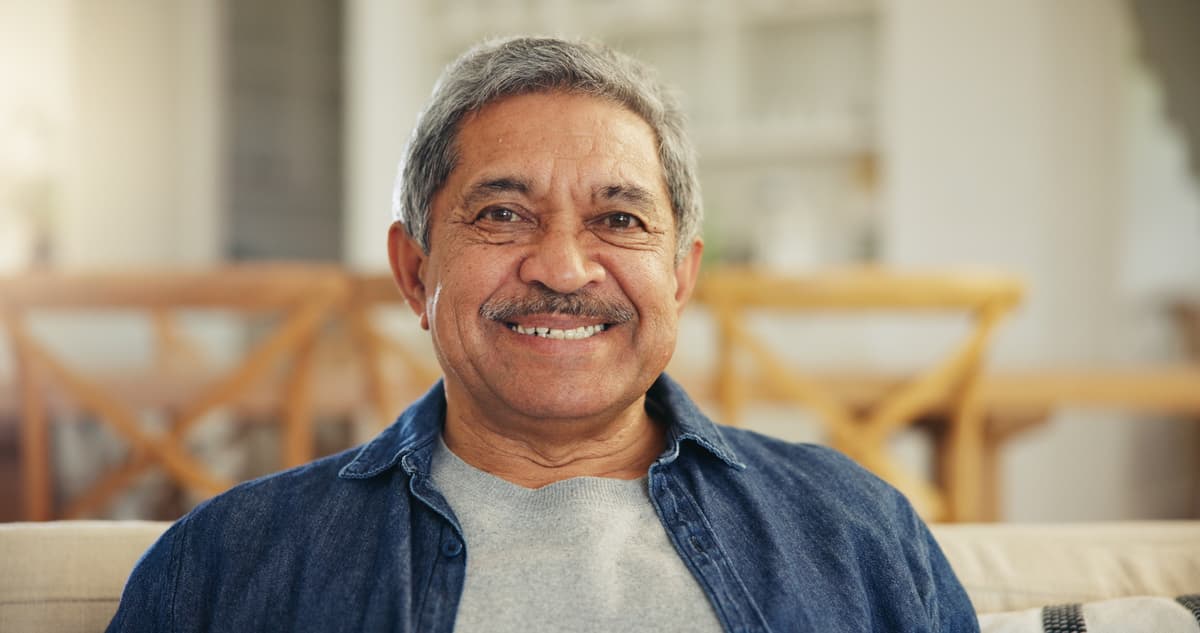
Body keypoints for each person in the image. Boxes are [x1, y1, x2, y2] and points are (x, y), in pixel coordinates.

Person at [107, 36, 978, 632]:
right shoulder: (228, 568)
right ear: (414, 272)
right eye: (502, 213)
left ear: (680, 275)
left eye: (621, 219)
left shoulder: (858, 534)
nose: (563, 268)